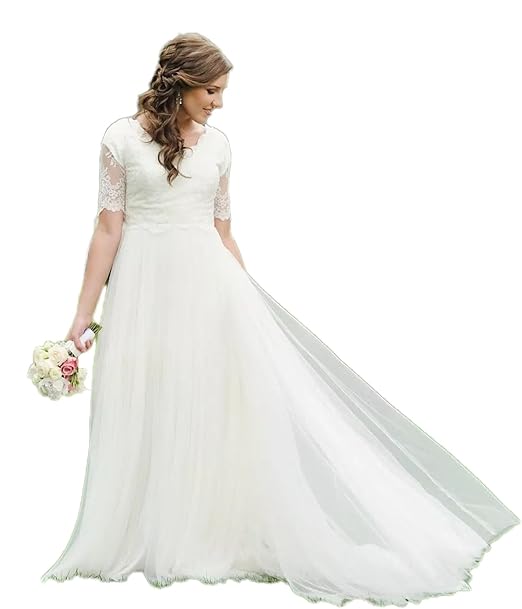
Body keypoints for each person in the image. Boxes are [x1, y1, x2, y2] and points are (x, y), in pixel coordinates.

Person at [40, 32, 519, 606]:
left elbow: (222, 231)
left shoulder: (219, 146)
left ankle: (202, 529)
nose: (219, 103)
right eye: (211, 91)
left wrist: (247, 301)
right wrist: (83, 314)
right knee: (149, 395)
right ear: (181, 83)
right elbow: (108, 228)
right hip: (143, 288)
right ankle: (151, 530)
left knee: (210, 401)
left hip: (209, 286)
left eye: (222, 91)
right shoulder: (120, 139)